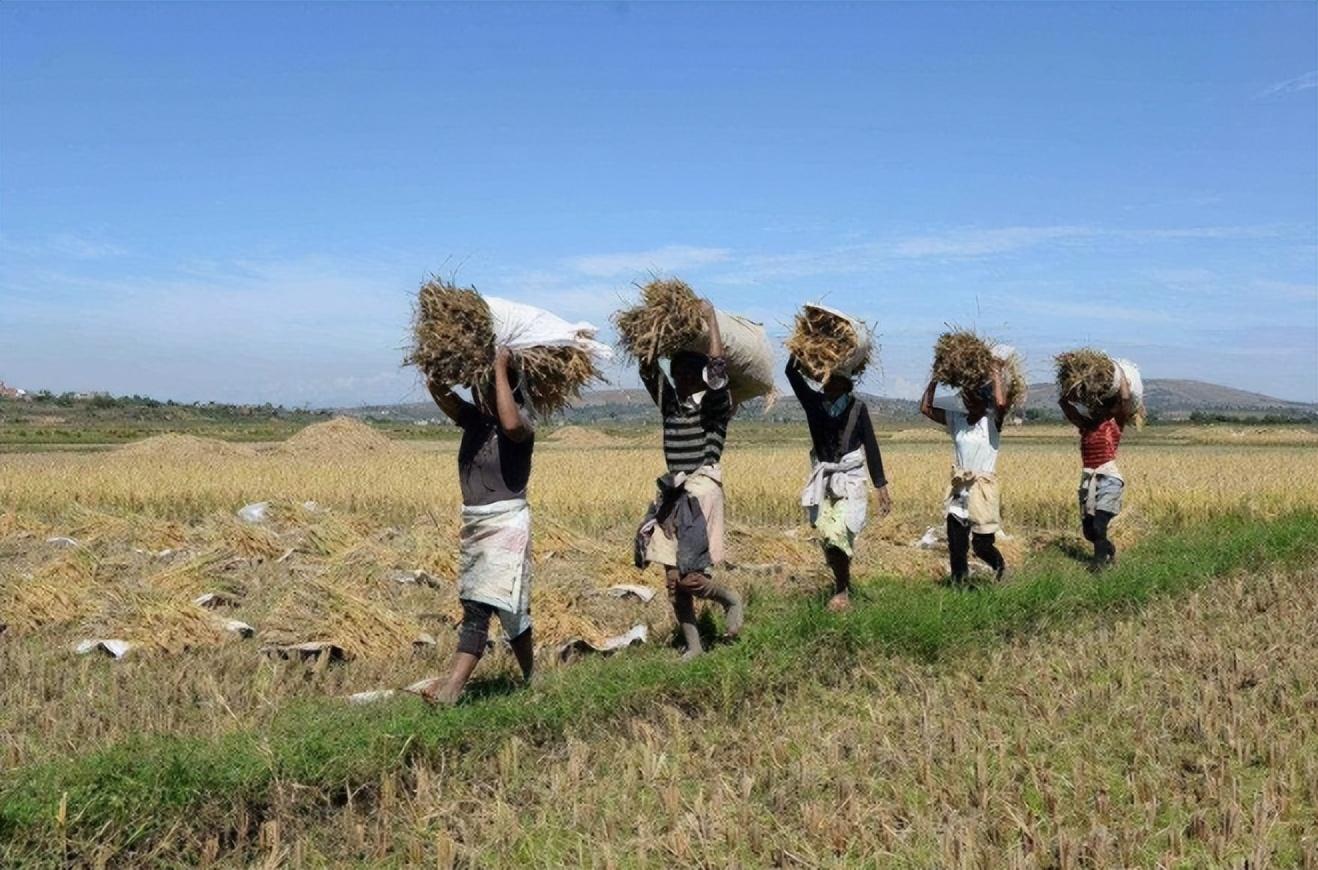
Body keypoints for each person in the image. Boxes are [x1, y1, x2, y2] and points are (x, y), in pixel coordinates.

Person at [414, 348, 535, 704]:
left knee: (478, 606)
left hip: (505, 525)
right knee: (510, 611)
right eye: (479, 387)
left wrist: (499, 366)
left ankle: (452, 689)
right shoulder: (475, 421)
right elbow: (441, 393)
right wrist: (437, 368)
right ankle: (534, 678)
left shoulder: (522, 423)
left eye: (490, 386)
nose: (481, 393)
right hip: (476, 525)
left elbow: (509, 424)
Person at [634, 299, 744, 659]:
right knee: (672, 582)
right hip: (672, 495)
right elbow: (647, 369)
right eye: (676, 373)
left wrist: (711, 318)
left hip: (700, 493)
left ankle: (729, 598)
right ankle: (694, 647)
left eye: (687, 374)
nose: (680, 379)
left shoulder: (714, 406)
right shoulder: (670, 406)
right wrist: (652, 327)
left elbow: (717, 368)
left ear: (700, 377)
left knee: (689, 577)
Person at [786, 355, 892, 611]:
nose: (830, 385)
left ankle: (841, 591)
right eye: (827, 380)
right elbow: (791, 373)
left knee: (839, 534)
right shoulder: (814, 403)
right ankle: (842, 583)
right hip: (824, 481)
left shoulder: (857, 408)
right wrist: (801, 351)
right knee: (827, 536)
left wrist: (881, 485)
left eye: (836, 381)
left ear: (846, 385)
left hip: (849, 481)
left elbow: (871, 446)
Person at [920, 363, 1009, 584]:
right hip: (959, 488)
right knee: (956, 543)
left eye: (972, 396)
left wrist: (996, 373)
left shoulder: (991, 422)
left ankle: (1001, 570)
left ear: (983, 399)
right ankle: (959, 584)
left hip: (982, 489)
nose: (967, 400)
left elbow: (1001, 403)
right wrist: (935, 379)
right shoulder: (957, 420)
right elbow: (926, 409)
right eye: (965, 396)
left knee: (982, 545)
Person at [1058, 368, 1132, 571]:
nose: (1096, 409)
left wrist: (1119, 373)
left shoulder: (1114, 423)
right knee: (1089, 532)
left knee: (1099, 525)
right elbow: (1064, 403)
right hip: (1088, 479)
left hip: (1108, 477)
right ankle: (1109, 549)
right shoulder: (1085, 425)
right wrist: (1071, 382)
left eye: (1100, 405)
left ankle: (1098, 566)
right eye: (1093, 405)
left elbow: (1126, 399)